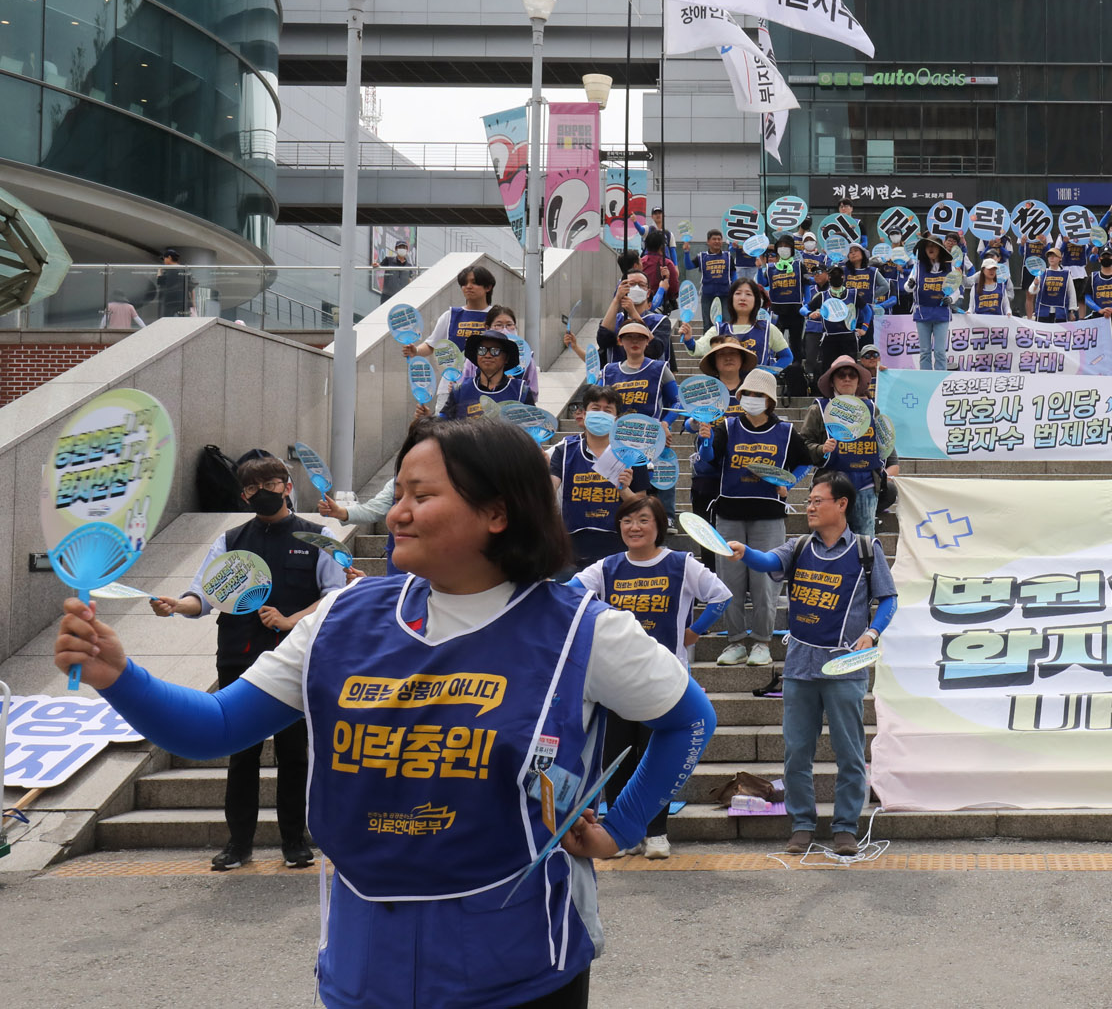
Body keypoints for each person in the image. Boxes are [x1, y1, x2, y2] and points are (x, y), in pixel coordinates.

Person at [63, 418, 717, 1007]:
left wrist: (623, 827)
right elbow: (216, 728)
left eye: (421, 496)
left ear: (496, 512)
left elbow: (690, 720)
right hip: (362, 972)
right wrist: (120, 677)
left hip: (520, 972)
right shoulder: (340, 620)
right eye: (398, 493)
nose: (397, 513)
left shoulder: (583, 631)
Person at [148, 455, 348, 871]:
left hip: (295, 659)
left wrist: (292, 619)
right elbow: (202, 597)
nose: (262, 493)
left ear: (287, 486)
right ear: (243, 496)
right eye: (251, 489)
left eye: (270, 483)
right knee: (241, 753)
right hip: (238, 658)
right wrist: (176, 606)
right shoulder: (231, 540)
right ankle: (238, 844)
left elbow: (336, 594)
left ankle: (295, 841)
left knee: (295, 754)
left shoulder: (320, 535)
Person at [724, 470, 896, 858]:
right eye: (809, 501)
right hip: (800, 669)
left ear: (842, 505)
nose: (810, 507)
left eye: (818, 500)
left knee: (850, 753)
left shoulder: (867, 549)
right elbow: (768, 560)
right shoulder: (799, 546)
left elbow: (888, 599)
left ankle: (845, 827)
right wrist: (744, 552)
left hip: (845, 669)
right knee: (796, 752)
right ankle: (802, 824)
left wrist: (872, 633)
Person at [572, 494, 731, 860]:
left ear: (658, 525)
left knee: (655, 757)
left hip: (666, 680)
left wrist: (694, 632)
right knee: (617, 755)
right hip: (616, 680)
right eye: (627, 521)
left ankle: (657, 832)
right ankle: (619, 833)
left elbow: (720, 596)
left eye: (643, 520)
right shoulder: (607, 567)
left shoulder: (681, 564)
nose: (634, 527)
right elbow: (570, 595)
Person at [703, 367, 826, 666]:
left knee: (765, 583)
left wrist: (789, 483)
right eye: (748, 393)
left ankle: (761, 642)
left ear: (770, 400)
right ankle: (734, 642)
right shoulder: (728, 427)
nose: (752, 399)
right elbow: (709, 460)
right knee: (729, 582)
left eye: (759, 395)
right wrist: (705, 438)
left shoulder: (784, 431)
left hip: (769, 514)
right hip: (729, 511)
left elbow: (805, 461)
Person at [549, 387, 656, 567]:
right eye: (595, 408)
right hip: (572, 551)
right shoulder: (565, 450)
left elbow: (641, 507)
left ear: (616, 418)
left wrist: (624, 489)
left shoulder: (633, 455)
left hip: (617, 550)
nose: (601, 414)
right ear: (583, 414)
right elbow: (550, 489)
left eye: (607, 410)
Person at [800, 355, 899, 536]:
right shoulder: (818, 409)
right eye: (841, 375)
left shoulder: (871, 408)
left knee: (864, 541)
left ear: (858, 381)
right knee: (826, 538)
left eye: (852, 375)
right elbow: (802, 446)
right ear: (832, 382)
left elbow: (886, 444)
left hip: (866, 484)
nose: (847, 378)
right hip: (829, 483)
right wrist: (821, 449)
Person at [685, 338, 753, 530]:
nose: (728, 358)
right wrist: (695, 422)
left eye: (733, 354)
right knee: (707, 535)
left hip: (743, 473)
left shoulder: (753, 393)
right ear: (714, 362)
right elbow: (688, 425)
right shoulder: (704, 391)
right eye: (721, 354)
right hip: (707, 474)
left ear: (742, 360)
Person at [688, 277, 789, 372]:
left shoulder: (768, 329)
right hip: (727, 387)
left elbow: (787, 356)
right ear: (731, 299)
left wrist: (768, 373)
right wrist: (688, 340)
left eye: (748, 294)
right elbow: (698, 348)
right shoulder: (718, 330)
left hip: (756, 388)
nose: (742, 298)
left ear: (757, 301)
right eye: (738, 293)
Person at [438, 329, 535, 420]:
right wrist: (424, 416)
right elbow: (441, 424)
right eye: (482, 350)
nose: (487, 355)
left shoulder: (521, 391)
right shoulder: (460, 390)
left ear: (506, 358)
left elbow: (533, 426)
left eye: (495, 351)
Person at [410, 265, 495, 358]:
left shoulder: (497, 315)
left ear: (488, 287)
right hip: (455, 371)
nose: (468, 287)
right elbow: (431, 345)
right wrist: (415, 351)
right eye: (464, 283)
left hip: (488, 372)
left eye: (474, 282)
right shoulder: (450, 315)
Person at [602, 321, 680, 419]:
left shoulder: (660, 369)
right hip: (616, 431)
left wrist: (666, 423)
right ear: (620, 341)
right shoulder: (608, 371)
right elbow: (595, 403)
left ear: (647, 341)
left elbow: (677, 401)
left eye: (640, 337)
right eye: (629, 337)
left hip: (650, 431)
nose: (635, 341)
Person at [906, 236, 955, 372]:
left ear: (940, 249)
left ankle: (939, 379)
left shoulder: (949, 267)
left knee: (939, 351)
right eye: (927, 246)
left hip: (941, 314)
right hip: (923, 313)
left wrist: (951, 299)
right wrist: (910, 284)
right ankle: (926, 379)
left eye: (934, 246)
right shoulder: (918, 267)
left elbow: (957, 289)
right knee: (925, 351)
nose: (931, 248)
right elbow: (907, 288)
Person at [682, 228, 744, 321]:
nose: (717, 241)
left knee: (726, 321)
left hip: (725, 294)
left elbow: (733, 274)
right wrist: (686, 253)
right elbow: (689, 266)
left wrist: (735, 290)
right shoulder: (702, 256)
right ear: (708, 241)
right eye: (714, 239)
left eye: (719, 239)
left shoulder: (727, 256)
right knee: (708, 324)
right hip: (708, 295)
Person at [151, 247, 194, 319]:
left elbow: (160, 281)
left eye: (164, 258)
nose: (164, 261)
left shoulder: (169, 271)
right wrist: (193, 303)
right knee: (185, 323)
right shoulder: (185, 269)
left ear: (169, 257)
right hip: (184, 302)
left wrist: (159, 269)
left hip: (170, 302)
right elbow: (191, 288)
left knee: (166, 322)